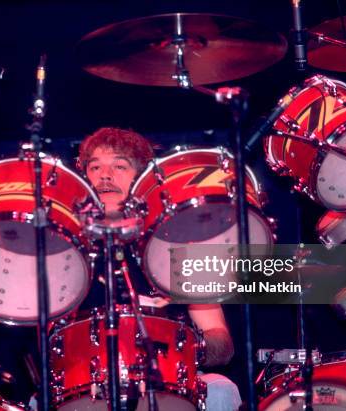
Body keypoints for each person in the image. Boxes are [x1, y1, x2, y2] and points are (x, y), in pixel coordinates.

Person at [77, 127, 242, 411]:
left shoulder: (178, 246)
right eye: (95, 167)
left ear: (142, 180)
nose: (105, 175)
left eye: (119, 165)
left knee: (220, 389)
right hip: (88, 386)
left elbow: (221, 340)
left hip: (168, 382)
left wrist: (173, 346)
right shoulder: (66, 254)